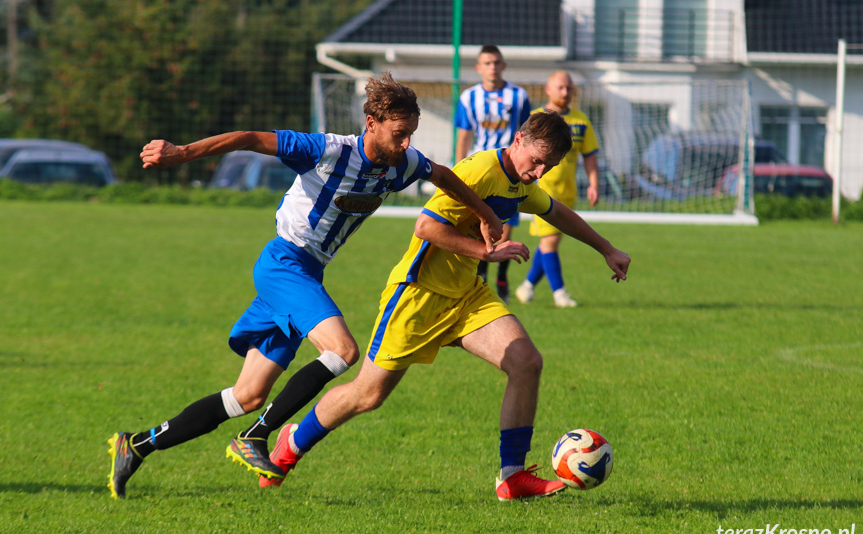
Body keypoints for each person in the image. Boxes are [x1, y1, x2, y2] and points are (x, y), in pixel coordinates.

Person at [106, 72, 503, 499]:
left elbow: (443, 175)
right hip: (283, 263)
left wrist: (484, 214)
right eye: (399, 134)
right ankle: (255, 438)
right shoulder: (327, 150)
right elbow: (248, 137)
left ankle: (136, 445)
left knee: (248, 394)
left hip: (308, 274)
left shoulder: (400, 164)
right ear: (371, 122)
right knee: (344, 350)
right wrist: (181, 152)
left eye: (410, 135)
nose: (406, 144)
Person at [260, 112, 631, 500]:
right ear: (518, 140)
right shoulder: (481, 170)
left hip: (466, 294)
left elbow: (556, 212)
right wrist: (485, 253)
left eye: (548, 167)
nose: (539, 172)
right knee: (368, 395)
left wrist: (606, 249)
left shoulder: (519, 182)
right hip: (417, 295)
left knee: (526, 363)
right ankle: (292, 443)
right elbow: (426, 227)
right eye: (536, 161)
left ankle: (512, 476)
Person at [515, 70, 601, 308]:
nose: (566, 92)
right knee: (550, 242)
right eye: (560, 87)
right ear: (548, 89)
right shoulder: (535, 119)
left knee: (548, 244)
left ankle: (527, 286)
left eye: (569, 88)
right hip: (541, 191)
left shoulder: (581, 121)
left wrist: (594, 183)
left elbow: (590, 155)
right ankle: (559, 293)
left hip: (568, 192)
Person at [455, 44, 532, 303]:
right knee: (479, 225)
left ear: (503, 65)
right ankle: (484, 276)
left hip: (509, 169)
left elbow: (526, 133)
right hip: (480, 168)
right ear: (479, 68)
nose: (492, 67)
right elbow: (464, 135)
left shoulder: (518, 96)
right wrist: (458, 172)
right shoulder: (468, 98)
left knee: (506, 227)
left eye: (496, 62)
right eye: (487, 63)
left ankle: (501, 277)